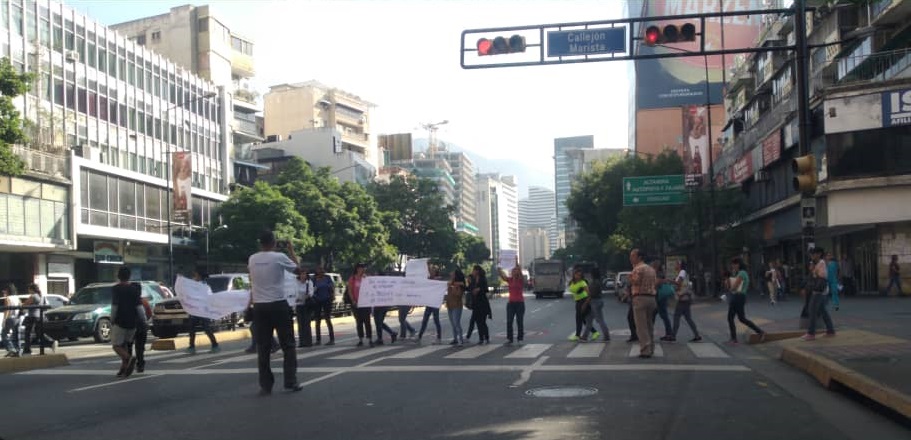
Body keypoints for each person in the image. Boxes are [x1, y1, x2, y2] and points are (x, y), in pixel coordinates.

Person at [247, 231, 303, 395]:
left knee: (263, 347)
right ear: (274, 242)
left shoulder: (252, 258)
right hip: (278, 304)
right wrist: (291, 250)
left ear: (260, 243)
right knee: (288, 345)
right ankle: (290, 381)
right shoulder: (279, 257)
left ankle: (265, 385)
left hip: (260, 307)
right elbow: (298, 269)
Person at [111, 267, 144, 378]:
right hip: (133, 322)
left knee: (116, 346)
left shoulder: (116, 289)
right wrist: (143, 320)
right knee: (125, 345)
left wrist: (112, 318)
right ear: (129, 276)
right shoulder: (134, 289)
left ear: (118, 276)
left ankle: (129, 358)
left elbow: (114, 306)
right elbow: (139, 307)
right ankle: (124, 368)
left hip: (120, 321)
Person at [726, 258, 766, 345]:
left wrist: (729, 288)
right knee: (741, 318)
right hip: (740, 297)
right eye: (732, 264)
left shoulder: (741, 273)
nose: (732, 266)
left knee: (731, 318)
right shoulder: (742, 273)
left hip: (737, 297)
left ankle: (734, 339)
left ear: (738, 264)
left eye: (734, 264)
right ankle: (760, 332)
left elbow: (735, 287)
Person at [802, 248, 836, 341]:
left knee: (812, 310)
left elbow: (823, 276)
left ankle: (811, 333)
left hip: (819, 291)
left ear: (819, 254)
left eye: (814, 254)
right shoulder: (816, 263)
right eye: (811, 254)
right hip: (818, 290)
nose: (812, 256)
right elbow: (812, 276)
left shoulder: (822, 263)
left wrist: (814, 270)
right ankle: (830, 330)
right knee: (823, 311)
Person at [629, 249, 657, 358]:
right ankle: (651, 348)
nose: (631, 258)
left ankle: (645, 350)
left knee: (641, 327)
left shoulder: (638, 269)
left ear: (639, 257)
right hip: (652, 298)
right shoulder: (651, 269)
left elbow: (636, 281)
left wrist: (630, 277)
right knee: (649, 325)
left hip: (640, 298)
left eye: (633, 256)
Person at [187, 268, 219, 354]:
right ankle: (192, 346)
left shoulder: (203, 286)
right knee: (200, 328)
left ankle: (192, 346)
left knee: (196, 329)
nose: (194, 277)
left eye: (195, 275)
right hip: (198, 310)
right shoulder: (203, 286)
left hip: (200, 311)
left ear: (199, 276)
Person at [22, 284, 58, 355]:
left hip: (32, 316)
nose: (28, 291)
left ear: (32, 289)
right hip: (39, 316)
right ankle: (50, 342)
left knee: (27, 333)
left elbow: (25, 304)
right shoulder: (41, 296)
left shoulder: (33, 296)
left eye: (29, 289)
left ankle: (27, 349)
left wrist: (22, 305)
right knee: (38, 332)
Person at [670, 261, 701, 342]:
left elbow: (678, 283)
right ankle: (697, 335)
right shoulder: (681, 273)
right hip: (685, 298)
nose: (675, 265)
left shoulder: (682, 272)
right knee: (688, 318)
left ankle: (673, 336)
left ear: (680, 265)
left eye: (676, 264)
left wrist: (670, 281)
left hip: (683, 298)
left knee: (677, 317)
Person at [347, 263, 373, 347]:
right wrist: (353, 300)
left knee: (367, 322)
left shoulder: (366, 278)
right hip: (356, 303)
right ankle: (360, 339)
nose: (362, 269)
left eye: (363, 268)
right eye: (361, 268)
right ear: (357, 269)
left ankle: (370, 339)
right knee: (359, 322)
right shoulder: (352, 279)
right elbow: (350, 290)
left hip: (365, 304)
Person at [581, 268, 610, 342]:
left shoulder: (594, 282)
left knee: (600, 320)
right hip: (597, 301)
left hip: (595, 302)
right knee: (589, 319)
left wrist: (585, 304)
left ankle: (607, 336)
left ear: (592, 274)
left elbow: (591, 295)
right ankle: (584, 336)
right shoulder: (598, 281)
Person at [501, 264, 526, 344]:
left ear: (518, 271)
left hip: (520, 303)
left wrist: (516, 262)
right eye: (513, 270)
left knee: (519, 321)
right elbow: (503, 277)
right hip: (511, 304)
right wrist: (499, 268)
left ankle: (520, 338)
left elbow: (521, 274)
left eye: (516, 270)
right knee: (509, 321)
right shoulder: (510, 280)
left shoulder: (521, 279)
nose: (514, 271)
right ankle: (509, 338)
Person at [311, 267, 335, 345]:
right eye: (319, 271)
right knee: (317, 320)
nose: (321, 273)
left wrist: (332, 293)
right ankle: (318, 340)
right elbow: (311, 289)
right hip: (317, 300)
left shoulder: (327, 278)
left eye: (322, 272)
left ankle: (332, 339)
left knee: (327, 319)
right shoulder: (314, 279)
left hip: (327, 300)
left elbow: (331, 286)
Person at [568, 269, 593, 342]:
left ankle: (577, 335)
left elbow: (589, 294)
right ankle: (594, 332)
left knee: (579, 319)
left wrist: (585, 304)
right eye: (576, 274)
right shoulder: (572, 282)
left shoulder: (583, 283)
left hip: (583, 300)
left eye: (579, 275)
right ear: (574, 275)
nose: (578, 276)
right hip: (577, 301)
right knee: (584, 320)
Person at [468, 265, 491, 344]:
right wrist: (470, 283)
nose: (472, 272)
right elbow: (469, 289)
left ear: (477, 271)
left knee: (482, 321)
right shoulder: (473, 280)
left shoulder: (482, 278)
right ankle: (481, 338)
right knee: (478, 322)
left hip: (483, 303)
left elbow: (486, 289)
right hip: (476, 304)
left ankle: (487, 337)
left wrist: (479, 289)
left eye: (473, 270)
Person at [653, 261, 675, 342]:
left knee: (663, 315)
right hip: (659, 297)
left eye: (653, 265)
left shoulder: (659, 274)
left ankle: (669, 334)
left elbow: (657, 283)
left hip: (660, 297)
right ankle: (669, 333)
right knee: (659, 315)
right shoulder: (660, 273)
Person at [131, 294, 152, 373]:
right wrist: (145, 321)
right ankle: (140, 364)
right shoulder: (144, 301)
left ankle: (129, 362)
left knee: (128, 345)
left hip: (131, 326)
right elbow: (149, 314)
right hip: (142, 327)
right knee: (140, 347)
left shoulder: (129, 301)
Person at [446, 269, 466, 346]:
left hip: (457, 306)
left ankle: (461, 339)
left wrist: (453, 287)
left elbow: (458, 295)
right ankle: (455, 339)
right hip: (449, 305)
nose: (450, 273)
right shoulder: (451, 283)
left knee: (456, 323)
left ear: (455, 276)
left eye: (453, 273)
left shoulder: (458, 284)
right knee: (453, 324)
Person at [294, 269, 314, 348]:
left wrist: (305, 297)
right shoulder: (296, 282)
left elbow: (311, 293)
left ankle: (308, 341)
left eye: (304, 274)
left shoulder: (309, 283)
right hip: (298, 304)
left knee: (306, 323)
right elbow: (294, 292)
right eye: (301, 274)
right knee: (300, 324)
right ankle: (302, 341)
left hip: (306, 305)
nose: (303, 276)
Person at [2, 285, 21, 357]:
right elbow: (20, 306)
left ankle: (11, 349)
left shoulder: (8, 298)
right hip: (17, 318)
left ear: (8, 291)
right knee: (16, 335)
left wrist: (4, 320)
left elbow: (7, 310)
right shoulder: (17, 298)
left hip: (10, 318)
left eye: (6, 290)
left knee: (4, 334)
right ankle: (18, 350)